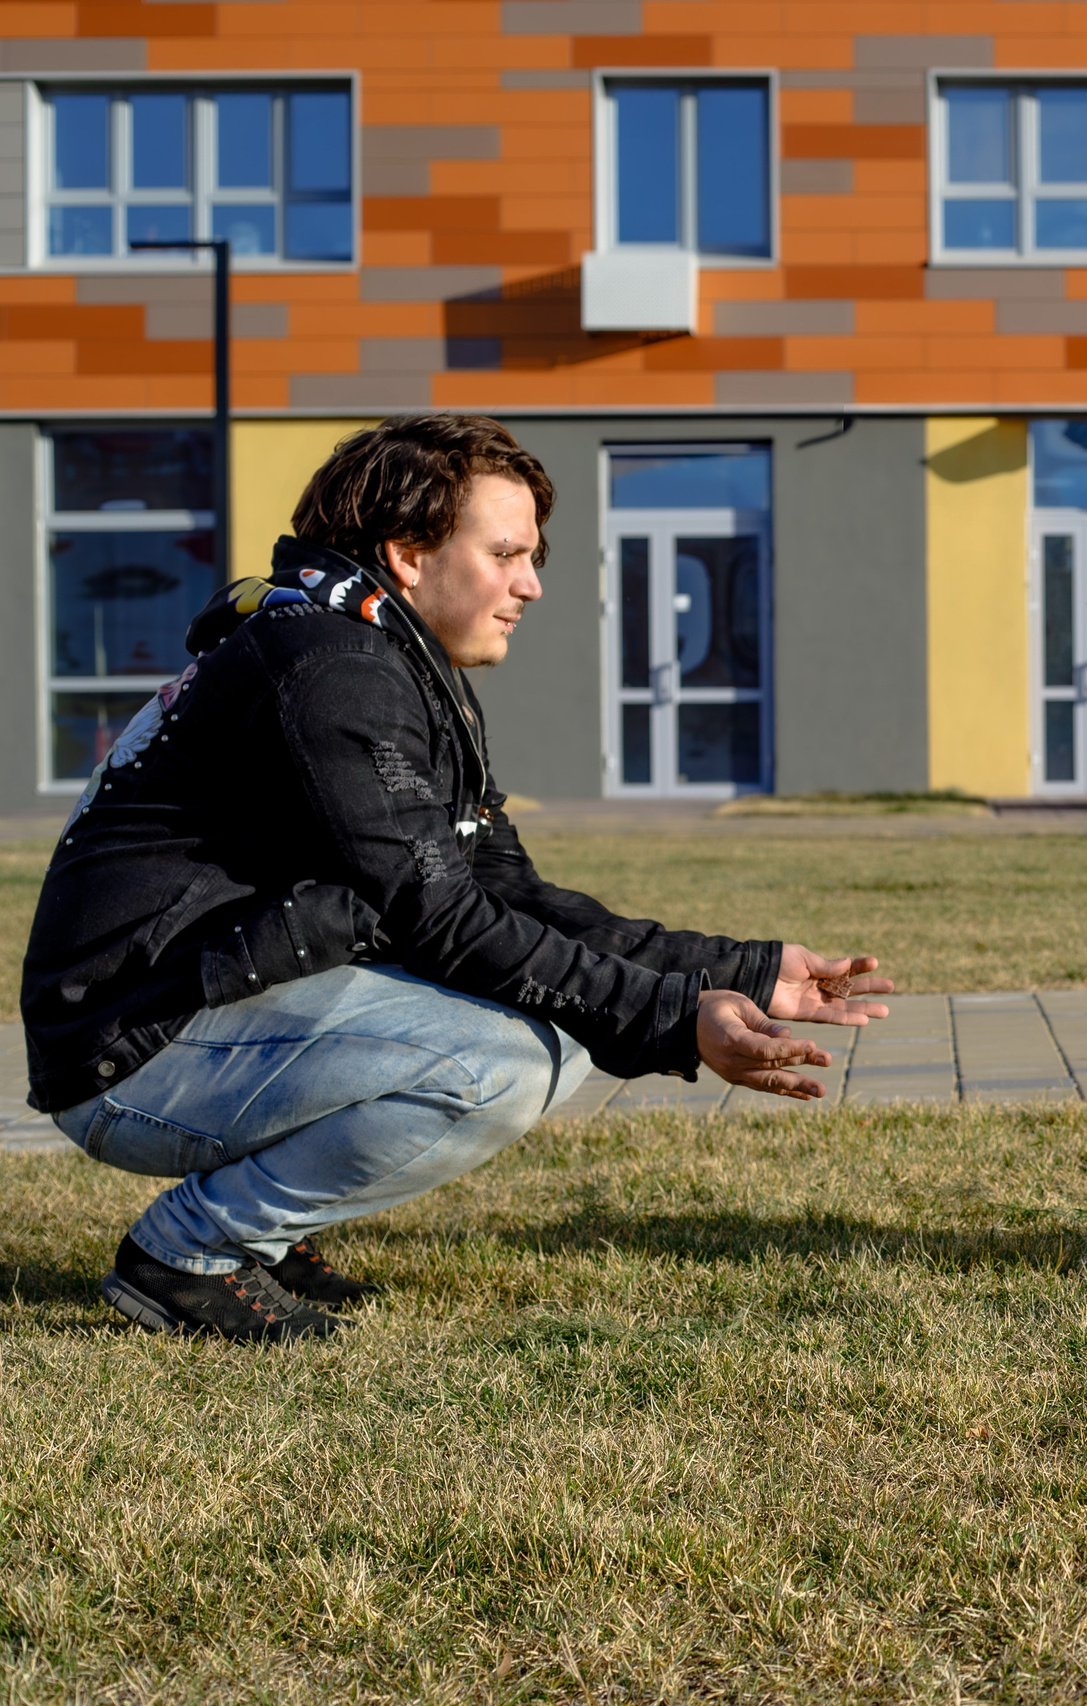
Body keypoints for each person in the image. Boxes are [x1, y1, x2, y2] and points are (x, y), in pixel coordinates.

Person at [19, 415, 891, 1343]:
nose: (532, 584)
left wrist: (741, 971)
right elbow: (441, 920)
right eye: (508, 553)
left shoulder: (372, 654)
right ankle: (190, 1254)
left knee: (559, 1019)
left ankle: (265, 1232)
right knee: (502, 1061)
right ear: (406, 553)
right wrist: (678, 1020)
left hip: (197, 1011)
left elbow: (509, 895)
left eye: (533, 555)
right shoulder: (330, 670)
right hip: (132, 1055)